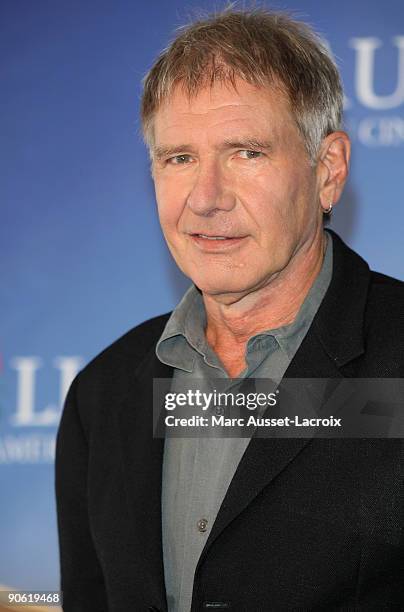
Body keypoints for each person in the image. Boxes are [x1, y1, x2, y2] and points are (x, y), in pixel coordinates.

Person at [55, 8, 404, 611]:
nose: (207, 198)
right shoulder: (102, 395)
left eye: (246, 152)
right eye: (179, 158)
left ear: (328, 170)